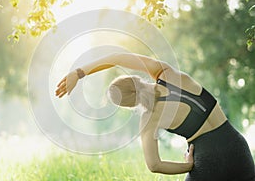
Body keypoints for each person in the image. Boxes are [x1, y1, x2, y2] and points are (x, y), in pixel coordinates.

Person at [55, 52, 255, 180]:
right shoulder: (167, 73)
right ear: (134, 78)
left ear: (128, 105)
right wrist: (79, 72)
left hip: (206, 161)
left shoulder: (148, 120)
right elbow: (116, 57)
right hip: (237, 148)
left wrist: (188, 165)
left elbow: (154, 165)